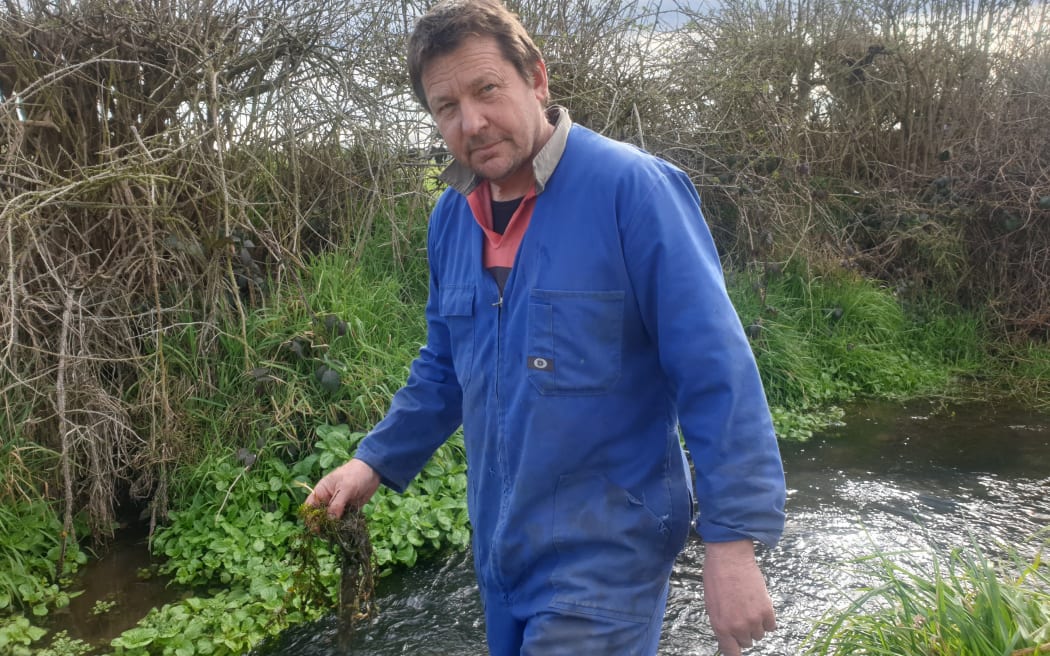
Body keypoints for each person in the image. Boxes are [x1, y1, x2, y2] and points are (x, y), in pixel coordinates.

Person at [306, 1, 787, 653]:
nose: (471, 122)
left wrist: (731, 545)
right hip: (502, 558)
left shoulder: (634, 192)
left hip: (606, 566)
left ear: (536, 78)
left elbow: (716, 372)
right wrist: (373, 461)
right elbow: (445, 368)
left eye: (487, 90)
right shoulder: (453, 219)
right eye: (446, 106)